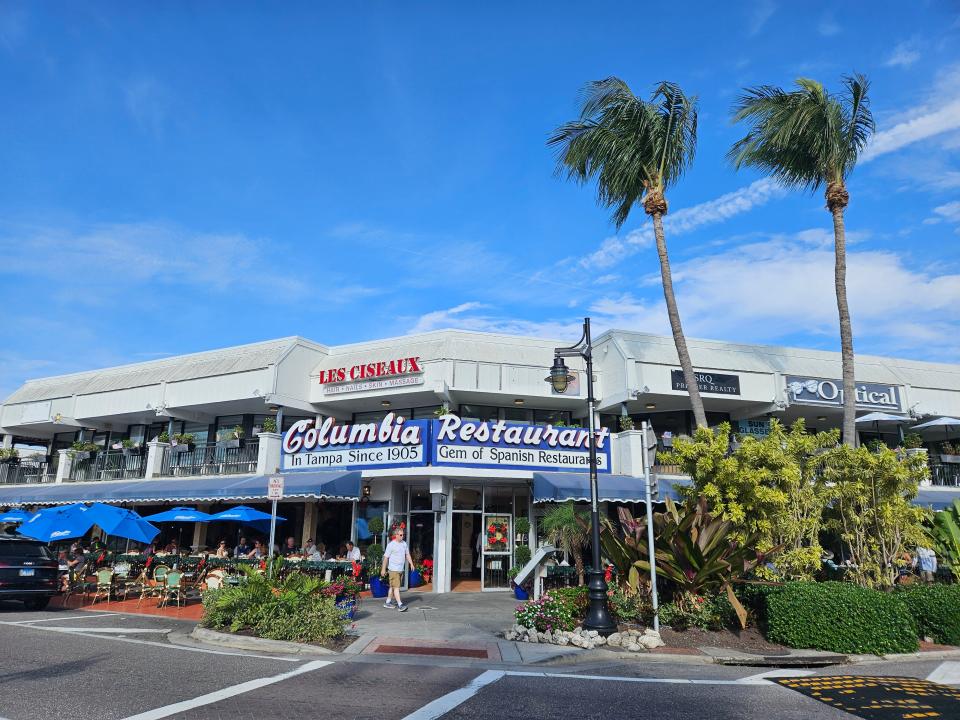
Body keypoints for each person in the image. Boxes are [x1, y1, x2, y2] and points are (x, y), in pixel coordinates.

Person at [381, 527, 414, 612]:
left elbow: (407, 554)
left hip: (400, 569)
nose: (402, 536)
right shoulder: (391, 545)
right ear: (396, 535)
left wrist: (411, 563)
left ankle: (387, 602)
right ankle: (400, 605)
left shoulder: (404, 544)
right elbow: (386, 558)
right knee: (396, 587)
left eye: (403, 535)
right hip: (393, 570)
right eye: (400, 535)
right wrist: (383, 569)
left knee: (392, 587)